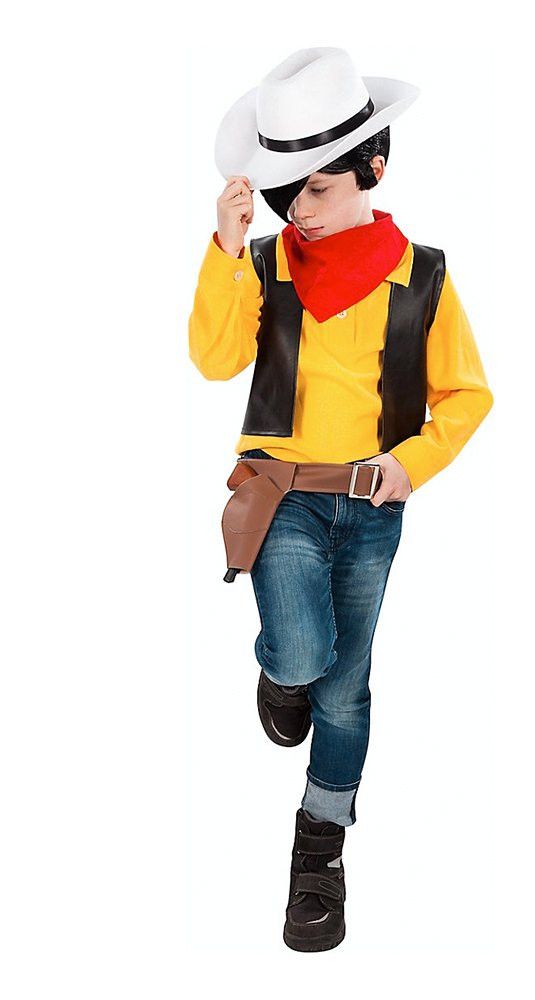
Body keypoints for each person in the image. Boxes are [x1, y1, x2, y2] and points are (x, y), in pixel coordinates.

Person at [188, 47, 494, 952]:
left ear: (375, 169)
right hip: (279, 492)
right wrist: (227, 247)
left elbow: (467, 394)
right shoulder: (265, 264)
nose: (302, 210)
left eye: (319, 188)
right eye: (289, 193)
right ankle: (281, 672)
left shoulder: (422, 276)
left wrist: (414, 462)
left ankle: (319, 850)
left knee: (348, 690)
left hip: (369, 507)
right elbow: (214, 360)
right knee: (306, 652)